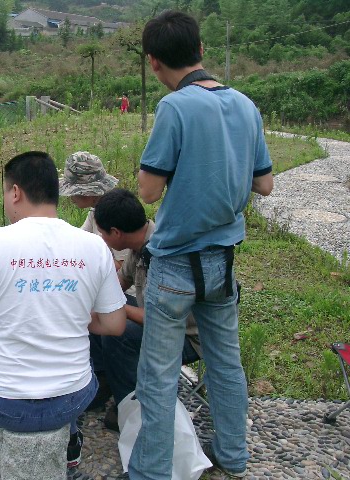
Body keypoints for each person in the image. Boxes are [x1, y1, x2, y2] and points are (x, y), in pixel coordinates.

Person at [131, 11, 273, 479]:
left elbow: (149, 191)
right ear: (202, 51)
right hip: (222, 264)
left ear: (154, 63)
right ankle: (233, 456)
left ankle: (152, 471)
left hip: (173, 267)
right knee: (226, 366)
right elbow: (265, 184)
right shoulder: (246, 105)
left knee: (159, 374)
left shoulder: (174, 107)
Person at [0, 151, 127, 480]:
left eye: (5, 193)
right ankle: (70, 442)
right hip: (74, 399)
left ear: (15, 193)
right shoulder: (93, 245)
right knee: (67, 361)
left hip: (6, 405)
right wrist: (72, 314)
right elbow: (114, 325)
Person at [92, 188, 201, 429]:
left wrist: (115, 308)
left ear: (116, 233)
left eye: (102, 233)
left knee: (117, 332)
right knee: (97, 315)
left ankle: (131, 409)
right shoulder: (138, 244)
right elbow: (120, 283)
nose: (101, 239)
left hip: (185, 337)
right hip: (158, 321)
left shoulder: (163, 254)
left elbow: (159, 320)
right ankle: (103, 382)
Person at [58, 151, 131, 410]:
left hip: (124, 290)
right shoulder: (95, 212)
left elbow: (121, 268)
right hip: (102, 287)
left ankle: (104, 380)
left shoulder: (113, 212)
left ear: (87, 191)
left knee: (91, 317)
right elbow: (78, 244)